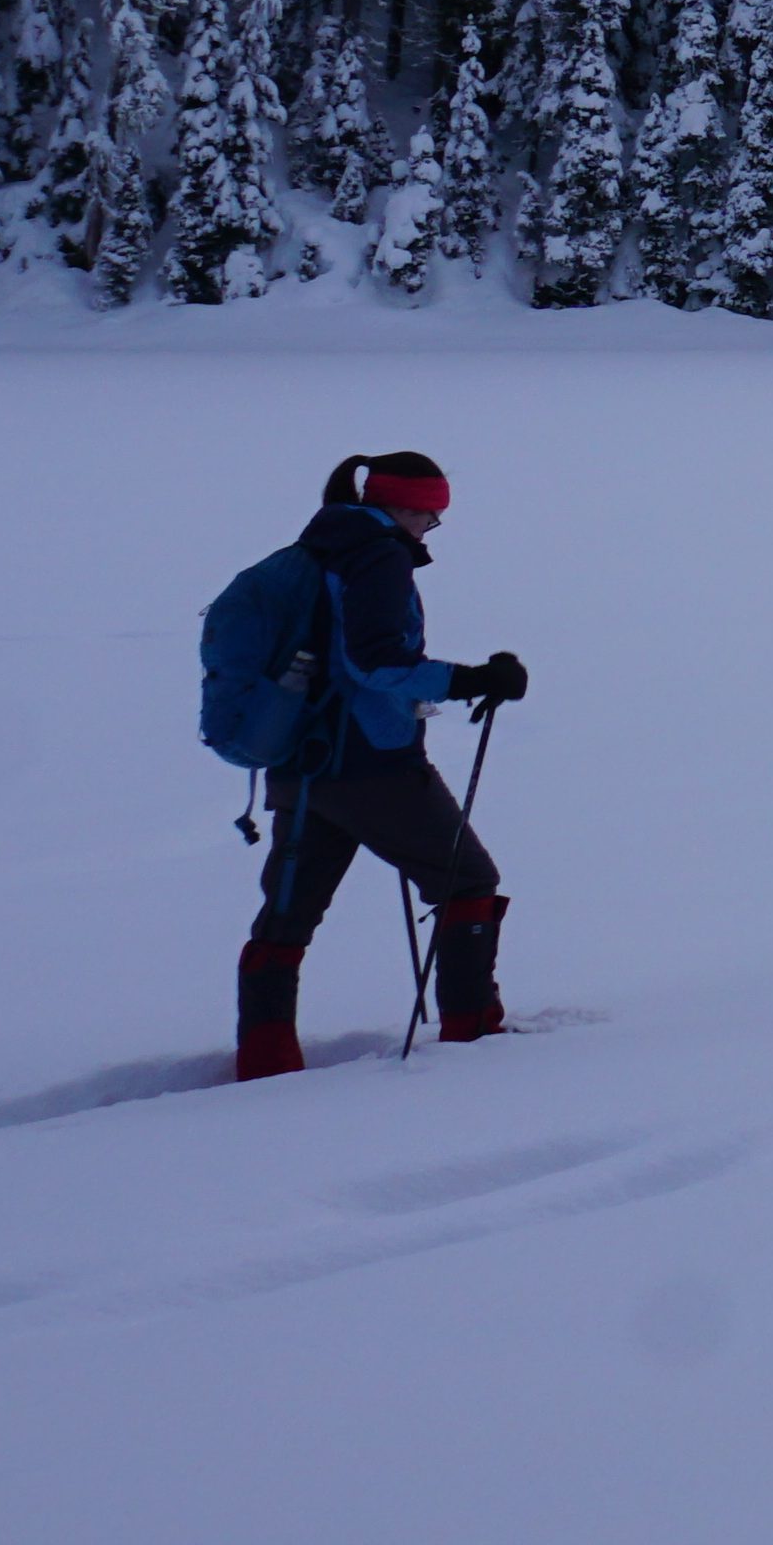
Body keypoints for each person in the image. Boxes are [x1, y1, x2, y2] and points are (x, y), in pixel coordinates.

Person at [234, 451, 529, 1081]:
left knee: (288, 916)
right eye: (429, 515)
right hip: (371, 763)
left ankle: (264, 1062)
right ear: (400, 507)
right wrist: (472, 679)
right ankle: (474, 1035)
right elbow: (374, 663)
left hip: (298, 761)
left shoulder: (320, 547)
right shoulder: (377, 558)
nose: (430, 528)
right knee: (467, 880)